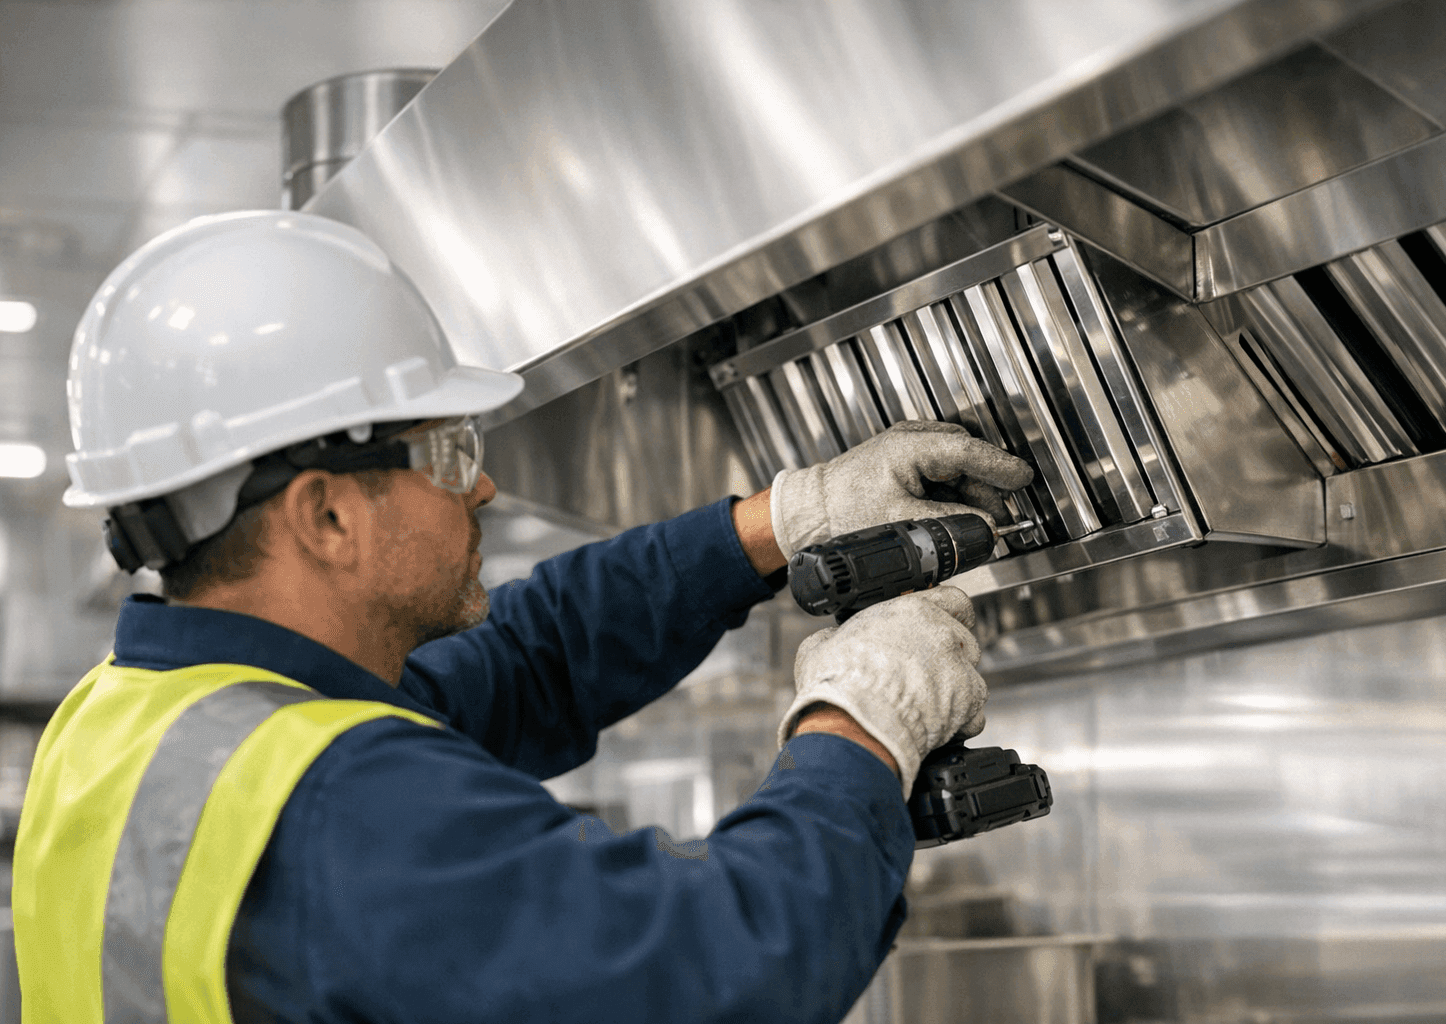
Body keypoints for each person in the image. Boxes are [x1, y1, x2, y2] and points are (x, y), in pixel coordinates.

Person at [13, 211, 1032, 1024]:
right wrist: (865, 718)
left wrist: (782, 521)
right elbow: (718, 969)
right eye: (448, 455)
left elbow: (531, 655)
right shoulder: (336, 802)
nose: (486, 486)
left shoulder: (146, 723)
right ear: (324, 514)